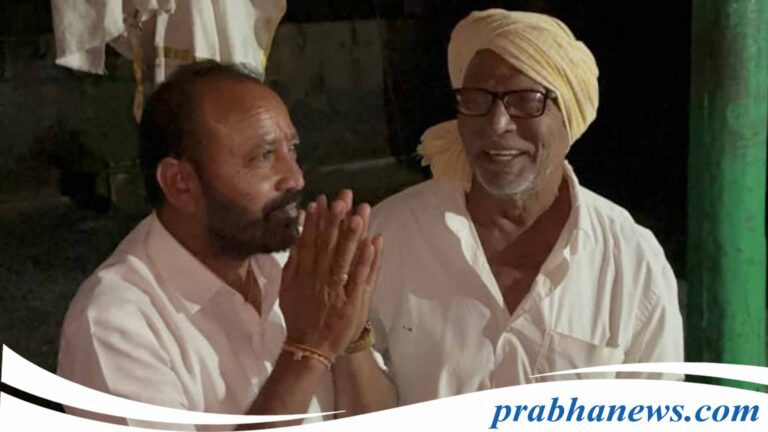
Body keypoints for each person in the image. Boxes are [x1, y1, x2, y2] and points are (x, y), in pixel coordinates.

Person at [369, 9, 684, 406]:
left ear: (570, 116)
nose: (497, 123)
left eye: (525, 101)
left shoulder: (630, 260)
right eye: (477, 100)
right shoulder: (388, 237)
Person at [58, 61, 396, 430]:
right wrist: (308, 350)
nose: (296, 178)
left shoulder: (294, 259)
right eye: (264, 156)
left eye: (292, 150)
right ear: (180, 183)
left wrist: (349, 335)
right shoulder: (114, 324)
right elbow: (311, 347)